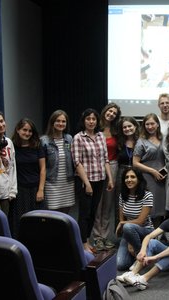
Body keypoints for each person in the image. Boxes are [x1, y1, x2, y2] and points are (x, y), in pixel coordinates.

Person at [118, 192, 169, 291]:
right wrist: (143, 251)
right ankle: (132, 273)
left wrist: (155, 257)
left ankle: (143, 279)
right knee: (153, 242)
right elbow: (149, 236)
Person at [72, 108, 114, 253]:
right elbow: (77, 162)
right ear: (84, 121)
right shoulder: (78, 137)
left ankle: (88, 239)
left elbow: (105, 159)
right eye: (88, 119)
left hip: (100, 180)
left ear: (97, 121)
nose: (91, 121)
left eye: (93, 119)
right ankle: (82, 243)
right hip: (86, 181)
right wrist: (87, 183)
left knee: (93, 212)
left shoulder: (101, 136)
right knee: (84, 214)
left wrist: (110, 178)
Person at [9, 118, 46, 238]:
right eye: (24, 130)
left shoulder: (37, 146)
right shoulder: (11, 147)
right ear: (18, 130)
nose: (27, 133)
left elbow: (43, 169)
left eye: (30, 131)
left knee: (37, 221)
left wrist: (41, 189)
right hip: (19, 191)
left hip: (35, 190)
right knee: (19, 222)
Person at [92, 103, 121, 251]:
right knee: (98, 203)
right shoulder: (95, 127)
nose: (112, 114)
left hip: (113, 166)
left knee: (108, 204)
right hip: (96, 167)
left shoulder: (116, 131)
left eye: (115, 113)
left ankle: (105, 236)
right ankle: (97, 237)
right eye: (110, 111)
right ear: (105, 111)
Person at [115, 168, 154, 271]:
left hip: (145, 230)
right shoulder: (122, 196)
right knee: (120, 265)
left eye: (132, 177)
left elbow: (140, 221)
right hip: (129, 232)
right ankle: (141, 252)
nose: (129, 180)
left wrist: (123, 223)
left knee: (127, 226)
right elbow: (122, 219)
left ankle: (139, 256)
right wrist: (129, 241)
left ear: (139, 179)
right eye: (126, 177)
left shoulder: (147, 195)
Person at [133, 113, 166, 222]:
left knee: (162, 204)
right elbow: (135, 163)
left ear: (157, 124)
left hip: (163, 177)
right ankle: (148, 232)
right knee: (150, 205)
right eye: (147, 124)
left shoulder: (164, 139)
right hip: (147, 177)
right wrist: (152, 171)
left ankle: (160, 232)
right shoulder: (141, 141)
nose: (150, 126)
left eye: (152, 123)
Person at [41, 110, 75, 213]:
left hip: (68, 182)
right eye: (58, 121)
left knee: (66, 211)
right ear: (52, 122)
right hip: (51, 182)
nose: (61, 124)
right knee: (52, 212)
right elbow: (42, 165)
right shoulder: (44, 140)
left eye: (63, 121)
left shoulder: (69, 139)